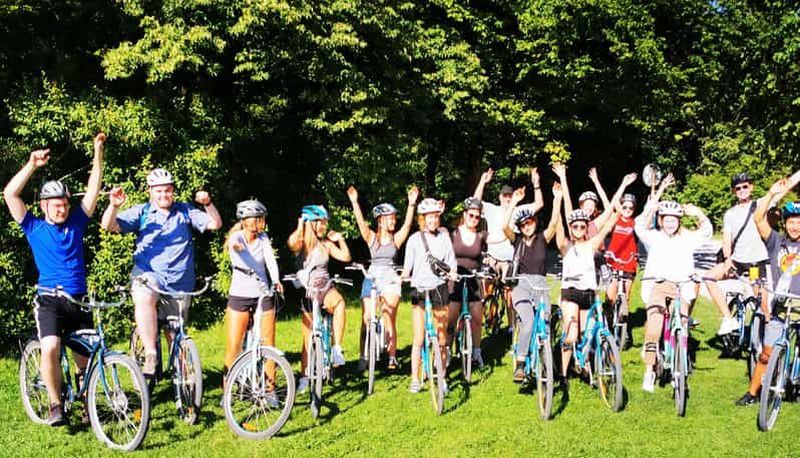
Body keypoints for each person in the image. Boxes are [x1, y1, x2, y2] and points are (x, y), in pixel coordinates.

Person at [4, 133, 106, 425]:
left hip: (78, 299)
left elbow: (93, 188)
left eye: (63, 203)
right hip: (49, 300)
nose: (61, 208)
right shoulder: (33, 226)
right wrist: (31, 165)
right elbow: (11, 194)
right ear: (44, 206)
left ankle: (87, 402)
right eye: (55, 204)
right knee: (50, 347)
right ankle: (54, 403)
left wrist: (97, 152)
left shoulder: (77, 222)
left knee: (84, 360)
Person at [101, 168, 222, 377]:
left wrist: (208, 204)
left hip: (179, 282)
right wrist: (113, 206)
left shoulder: (184, 211)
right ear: (150, 192)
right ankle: (150, 354)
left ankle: (184, 383)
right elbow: (109, 225)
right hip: (149, 274)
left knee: (175, 335)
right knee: (145, 295)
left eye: (167, 191)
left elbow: (215, 224)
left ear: (173, 191)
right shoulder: (143, 212)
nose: (164, 195)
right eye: (159, 191)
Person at [635, 176, 712, 393]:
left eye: (674, 219)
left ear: (679, 221)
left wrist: (696, 213)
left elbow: (706, 232)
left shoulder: (687, 238)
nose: (670, 223)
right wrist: (655, 202)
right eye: (666, 219)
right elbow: (639, 225)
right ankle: (649, 370)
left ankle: (680, 364)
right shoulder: (654, 237)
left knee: (683, 325)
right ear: (661, 220)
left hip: (681, 287)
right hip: (658, 286)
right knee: (654, 327)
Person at [735, 170, 800, 406]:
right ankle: (753, 393)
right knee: (765, 354)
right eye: (791, 222)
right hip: (782, 306)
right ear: (785, 223)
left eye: (799, 222)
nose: (795, 226)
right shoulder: (776, 241)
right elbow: (758, 218)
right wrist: (772, 193)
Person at [555, 187, 621, 388]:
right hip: (571, 293)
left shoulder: (592, 245)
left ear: (586, 228)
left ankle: (581, 364)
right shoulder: (567, 247)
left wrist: (619, 210)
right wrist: (557, 201)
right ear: (571, 228)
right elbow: (558, 232)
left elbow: (608, 226)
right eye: (575, 227)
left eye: (582, 227)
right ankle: (562, 374)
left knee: (586, 333)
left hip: (589, 294)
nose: (578, 230)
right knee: (573, 332)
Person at [347, 185, 418, 370]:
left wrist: (411, 204)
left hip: (391, 278)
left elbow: (408, 226)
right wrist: (355, 202)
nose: (393, 221)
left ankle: (392, 356)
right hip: (372, 277)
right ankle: (363, 355)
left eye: (394, 217)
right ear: (380, 221)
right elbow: (362, 224)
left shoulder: (396, 239)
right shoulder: (372, 238)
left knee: (389, 315)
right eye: (390, 218)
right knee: (366, 318)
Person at [287, 204, 351, 392]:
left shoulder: (326, 245)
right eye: (320, 223)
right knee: (307, 339)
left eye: (325, 223)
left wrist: (340, 240)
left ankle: (337, 349)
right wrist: (301, 225)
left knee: (339, 303)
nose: (324, 226)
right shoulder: (302, 244)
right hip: (307, 292)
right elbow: (292, 243)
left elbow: (346, 257)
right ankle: (305, 377)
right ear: (311, 223)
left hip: (325, 289)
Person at [503, 181, 562, 381]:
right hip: (521, 284)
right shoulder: (517, 240)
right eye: (523, 224)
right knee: (528, 322)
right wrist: (514, 203)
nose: (527, 227)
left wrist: (557, 199)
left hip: (541, 284)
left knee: (545, 322)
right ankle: (520, 363)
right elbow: (504, 226)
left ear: (535, 222)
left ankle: (545, 357)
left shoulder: (542, 239)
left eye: (530, 223)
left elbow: (554, 223)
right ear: (520, 227)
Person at [221, 199, 283, 390]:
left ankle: (270, 390)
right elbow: (237, 246)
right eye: (259, 218)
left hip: (263, 294)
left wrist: (276, 280)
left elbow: (270, 261)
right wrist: (239, 248)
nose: (263, 222)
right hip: (240, 295)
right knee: (234, 345)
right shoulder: (236, 238)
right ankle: (227, 392)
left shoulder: (263, 238)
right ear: (248, 220)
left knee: (268, 344)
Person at [473, 168, 543, 333]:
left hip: (509, 259)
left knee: (509, 292)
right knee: (485, 289)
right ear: (500, 197)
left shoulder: (518, 210)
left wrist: (536, 184)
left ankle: (511, 326)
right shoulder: (492, 209)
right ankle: (486, 318)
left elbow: (539, 204)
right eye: (504, 196)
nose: (507, 199)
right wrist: (482, 182)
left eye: (509, 196)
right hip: (491, 256)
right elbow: (475, 201)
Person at [704, 173, 773, 336]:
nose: (742, 190)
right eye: (738, 188)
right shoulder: (730, 214)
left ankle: (768, 337)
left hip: (756, 263)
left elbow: (780, 190)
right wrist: (727, 259)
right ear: (733, 191)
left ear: (751, 187)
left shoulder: (760, 204)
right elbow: (726, 240)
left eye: (745, 186)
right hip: (737, 261)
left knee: (762, 304)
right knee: (708, 277)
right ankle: (729, 319)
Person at [401, 198, 457, 393]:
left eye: (435, 216)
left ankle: (441, 377)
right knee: (418, 337)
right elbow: (408, 266)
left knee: (441, 337)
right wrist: (403, 277)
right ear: (422, 219)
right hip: (419, 289)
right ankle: (415, 379)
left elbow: (451, 260)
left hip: (439, 288)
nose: (432, 220)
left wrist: (453, 273)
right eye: (429, 217)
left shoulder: (444, 237)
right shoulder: (414, 239)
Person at [448, 196, 489, 369]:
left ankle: (476, 352)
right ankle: (446, 352)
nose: (473, 219)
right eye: (471, 215)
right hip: (455, 280)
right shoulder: (453, 234)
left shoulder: (481, 237)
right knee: (451, 319)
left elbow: (502, 236)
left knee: (478, 318)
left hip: (473, 280)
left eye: (477, 216)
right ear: (464, 215)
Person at [604, 192, 640, 344]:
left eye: (630, 208)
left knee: (626, 296)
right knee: (610, 299)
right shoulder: (615, 220)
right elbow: (609, 203)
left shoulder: (635, 223)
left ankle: (624, 329)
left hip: (629, 262)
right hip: (613, 260)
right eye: (624, 207)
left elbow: (649, 214)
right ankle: (606, 328)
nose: (627, 210)